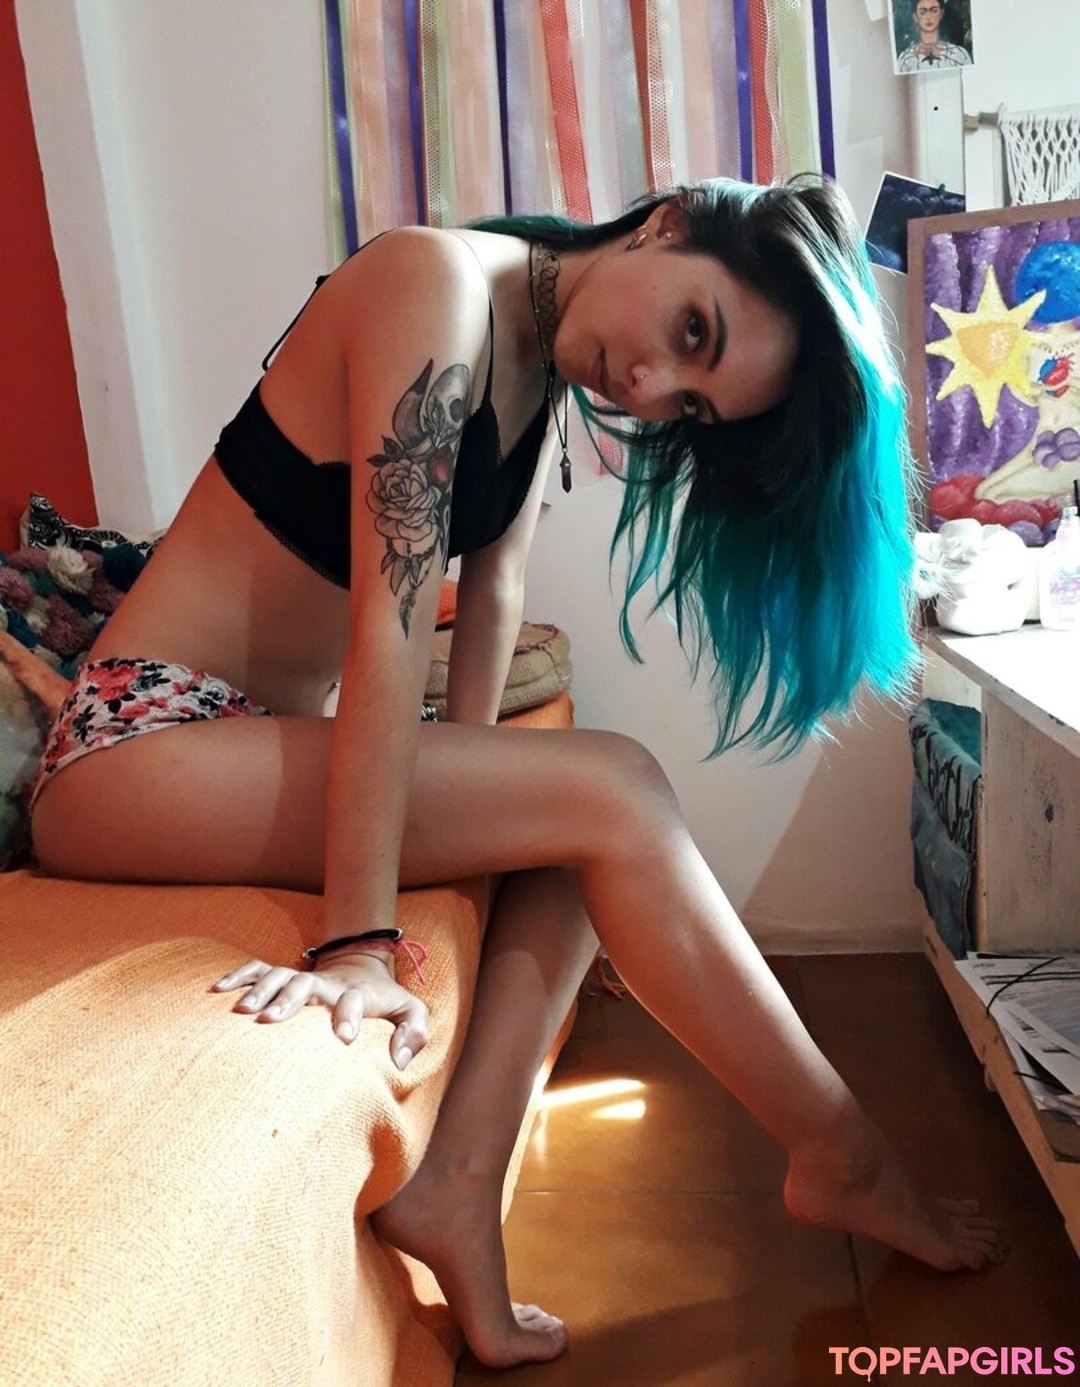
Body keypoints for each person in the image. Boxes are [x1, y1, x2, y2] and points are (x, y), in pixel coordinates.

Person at [29, 175, 1004, 1371]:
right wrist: (357, 944)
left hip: (234, 737)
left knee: (573, 830)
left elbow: (489, 600)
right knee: (617, 786)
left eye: (691, 402)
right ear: (665, 225)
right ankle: (840, 1154)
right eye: (690, 330)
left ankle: (457, 1184)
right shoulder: (429, 280)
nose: (650, 386)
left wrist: (481, 804)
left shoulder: (539, 371)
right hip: (134, 741)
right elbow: (392, 623)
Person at [896, 0, 972, 72]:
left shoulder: (959, 55)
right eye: (923, 12)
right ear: (915, 17)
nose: (928, 17)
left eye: (934, 11)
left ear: (941, 13)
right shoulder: (905, 59)